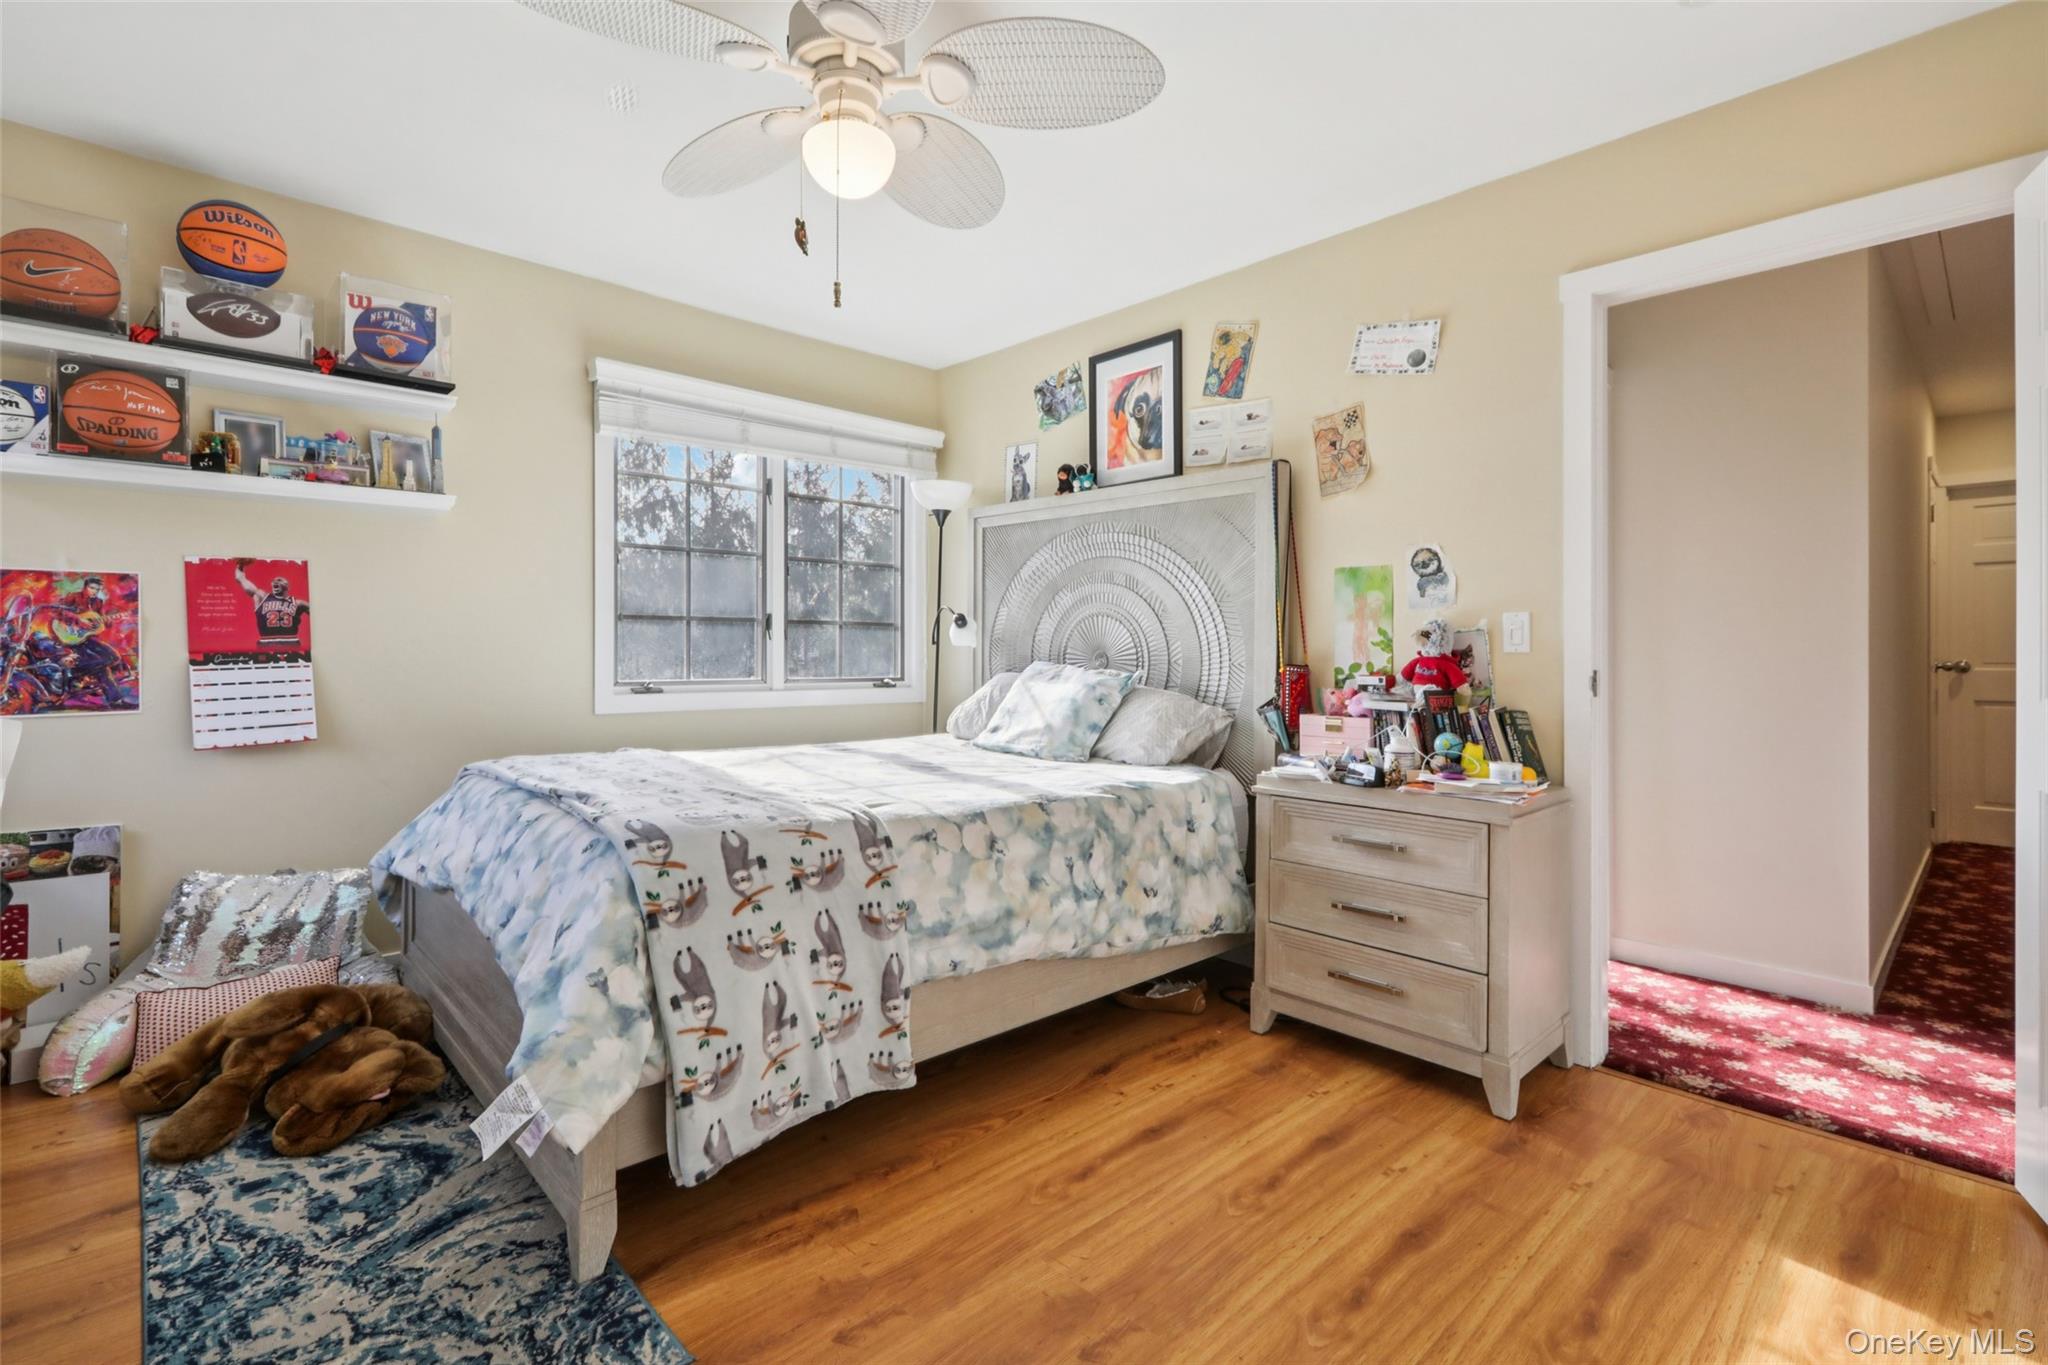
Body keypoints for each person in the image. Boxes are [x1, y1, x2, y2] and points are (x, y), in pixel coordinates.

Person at [234, 559, 310, 654]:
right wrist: (240, 565)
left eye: (279, 580)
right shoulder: (262, 597)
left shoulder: (299, 603)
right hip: (266, 642)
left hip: (290, 642)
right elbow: (240, 578)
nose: (276, 581)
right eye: (274, 581)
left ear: (287, 586)